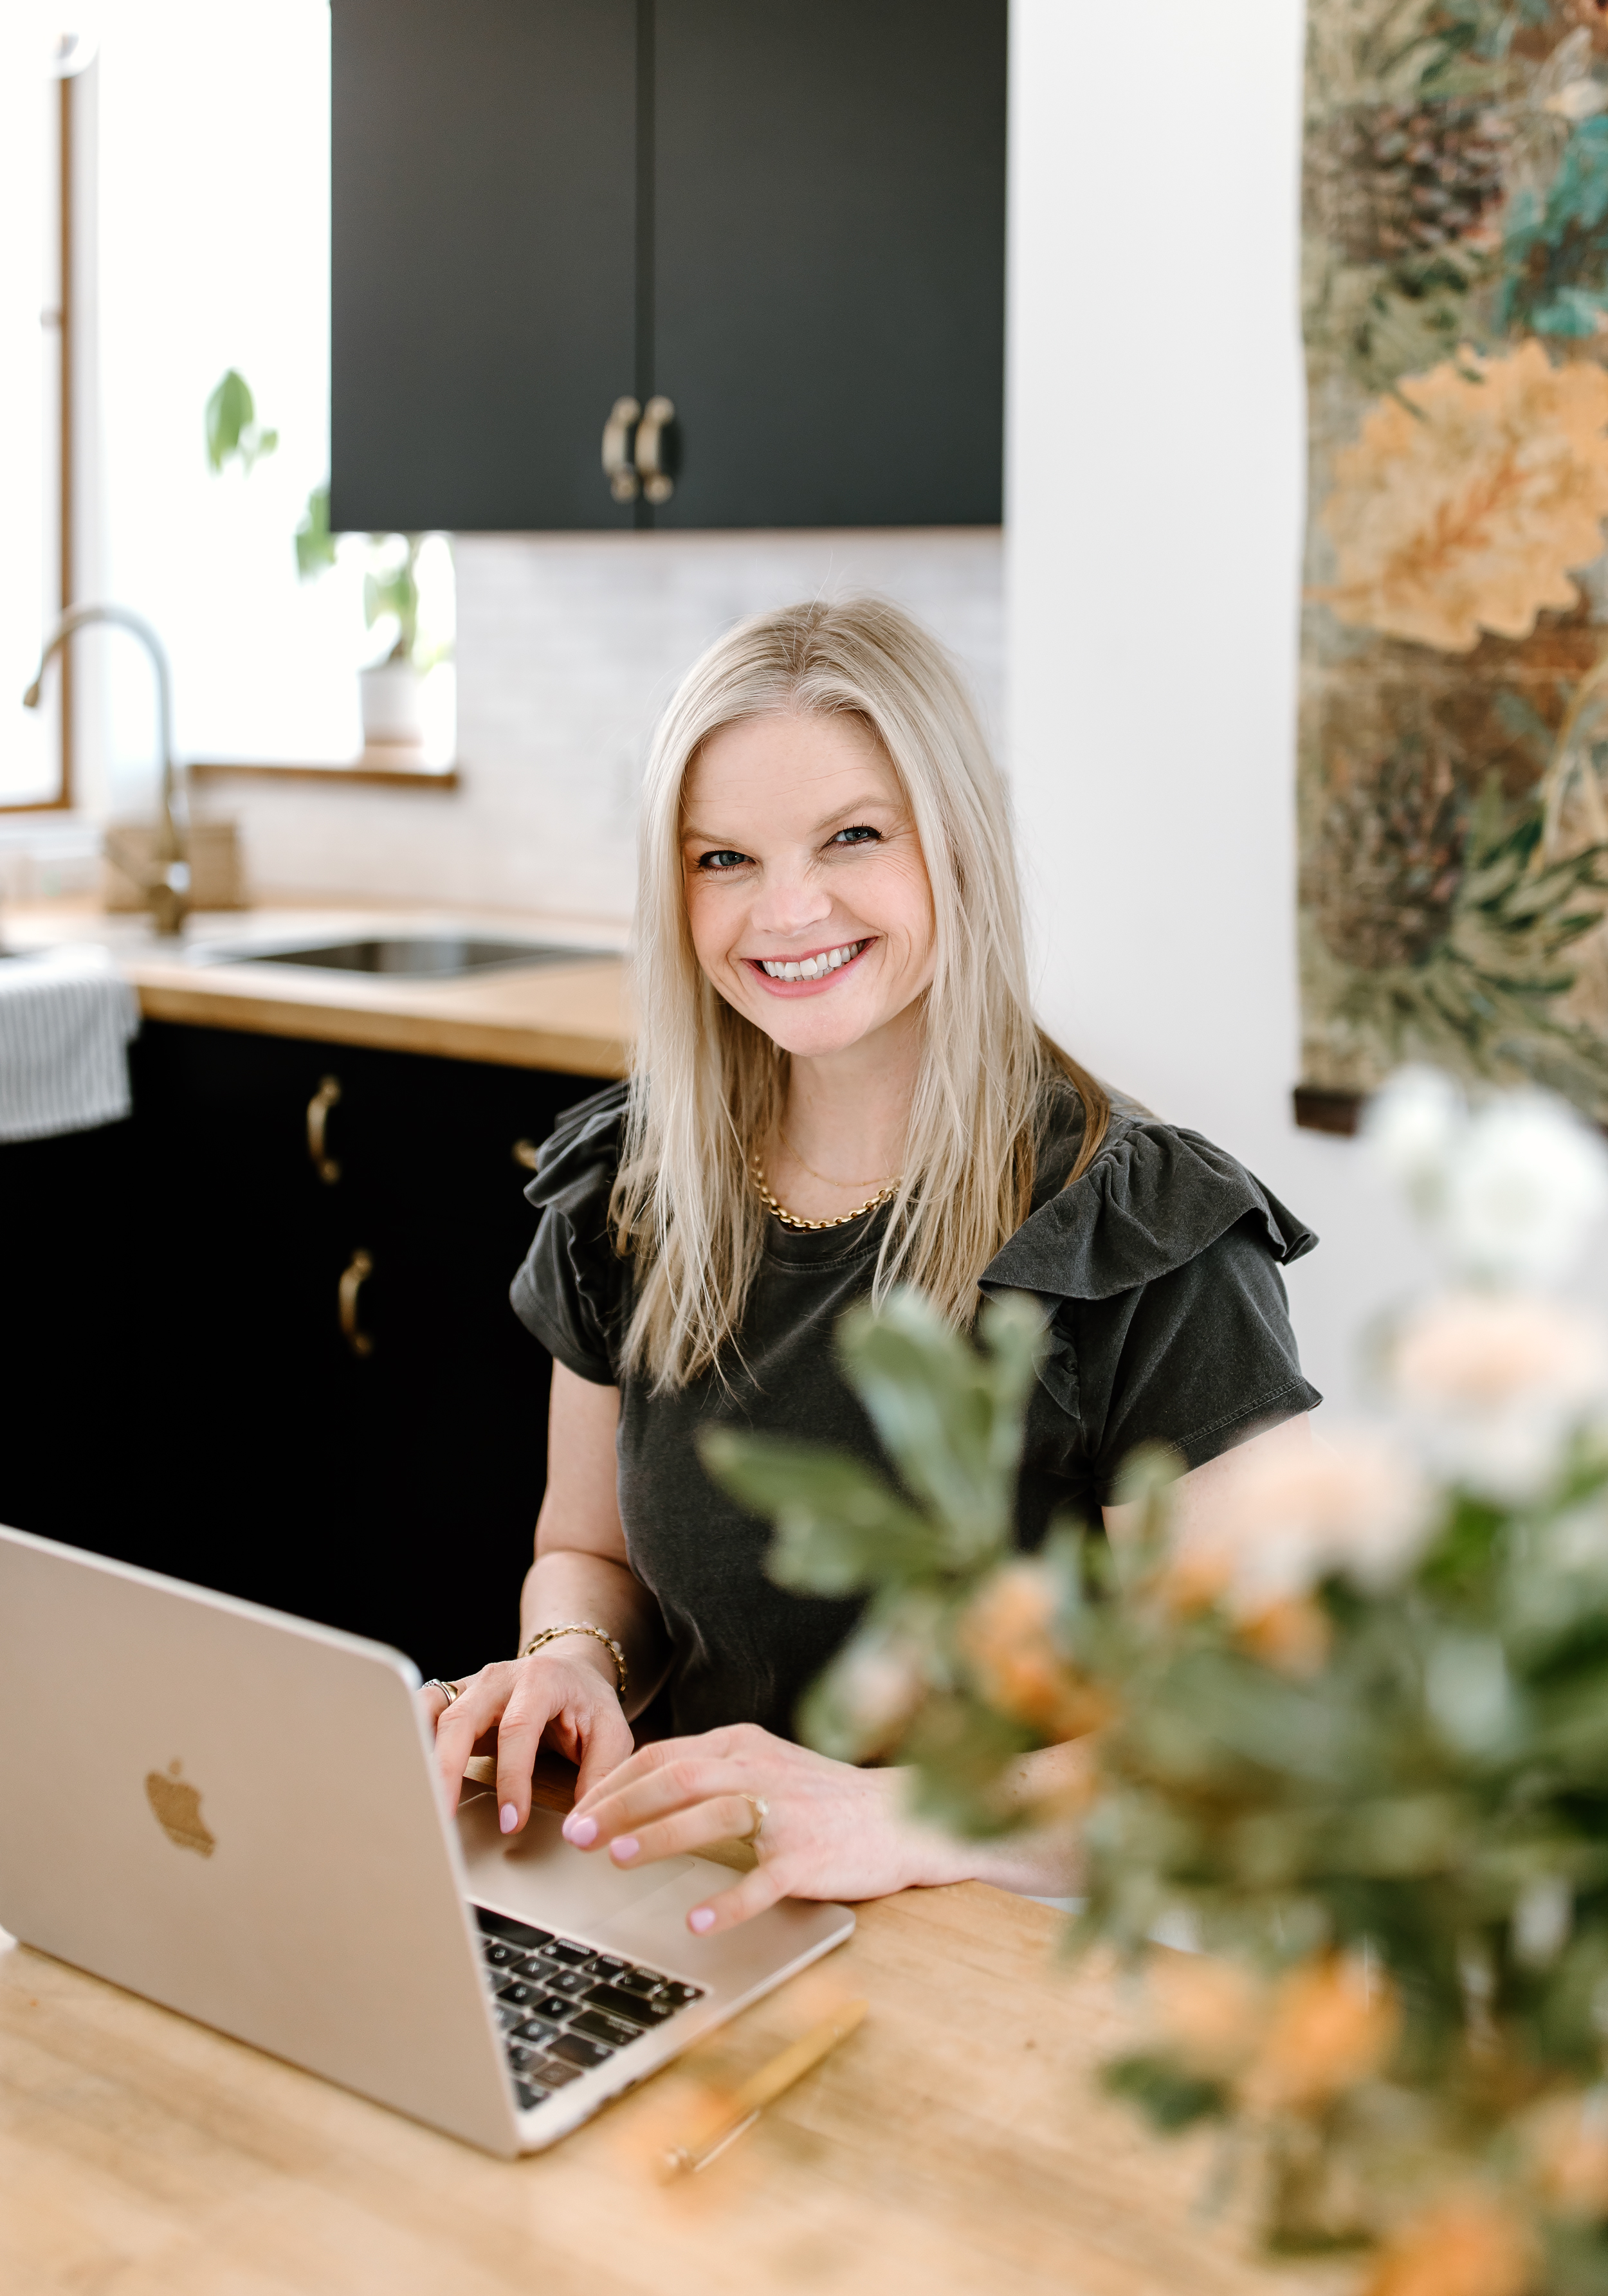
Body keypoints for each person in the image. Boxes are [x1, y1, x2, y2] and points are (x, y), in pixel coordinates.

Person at [428, 597, 1320, 1931]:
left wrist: (887, 1813)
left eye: (850, 835)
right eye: (720, 857)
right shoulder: (627, 1191)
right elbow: (582, 1549)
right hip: (703, 1913)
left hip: (1026, 1967)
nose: (783, 909)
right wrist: (570, 1660)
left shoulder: (1144, 1234)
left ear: (952, 845)